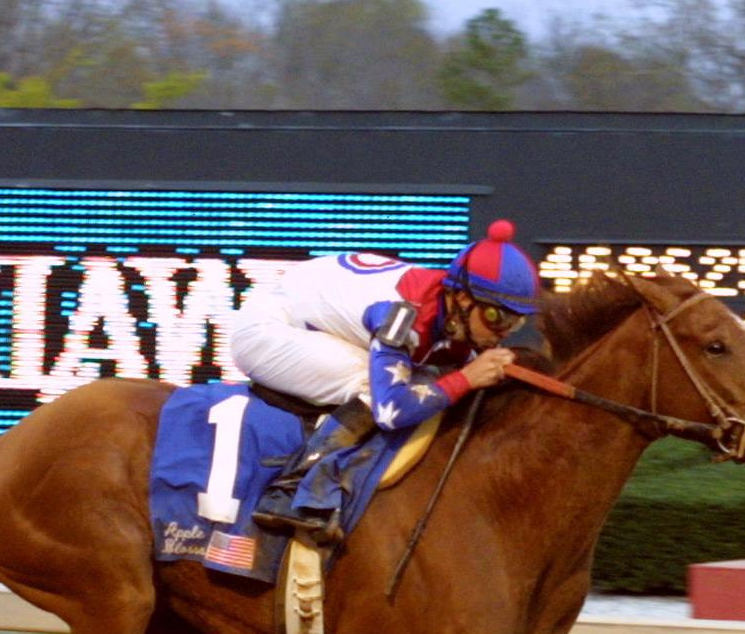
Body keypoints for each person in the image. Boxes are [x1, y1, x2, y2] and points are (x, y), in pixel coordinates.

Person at [230, 219, 540, 543]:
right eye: (497, 317)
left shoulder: (451, 308)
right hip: (267, 329)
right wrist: (466, 378)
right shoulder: (403, 315)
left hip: (313, 309)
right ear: (462, 300)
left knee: (427, 378)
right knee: (375, 385)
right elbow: (391, 411)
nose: (504, 331)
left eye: (516, 321)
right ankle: (291, 492)